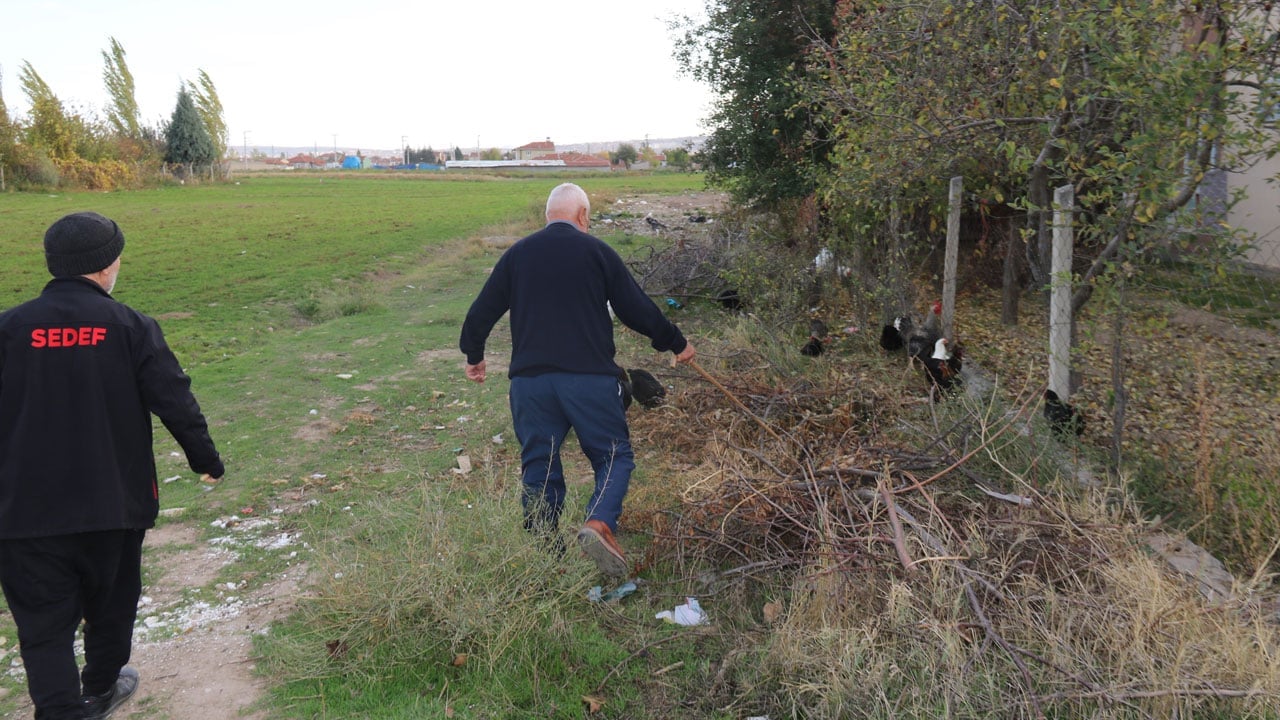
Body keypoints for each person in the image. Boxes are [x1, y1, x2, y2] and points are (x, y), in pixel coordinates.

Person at [0, 211, 225, 719]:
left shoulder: (9, 329)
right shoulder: (130, 327)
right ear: (107, 265)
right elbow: (175, 400)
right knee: (111, 606)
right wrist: (205, 461)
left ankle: (60, 708)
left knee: (44, 625)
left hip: (22, 512)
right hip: (113, 504)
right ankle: (100, 687)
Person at [459, 183, 695, 577]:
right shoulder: (598, 252)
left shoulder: (518, 254)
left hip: (531, 385)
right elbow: (635, 309)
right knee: (613, 455)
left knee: (540, 464)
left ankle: (546, 561)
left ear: (548, 216)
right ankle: (599, 522)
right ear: (583, 215)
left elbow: (481, 311)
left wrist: (475, 356)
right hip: (588, 380)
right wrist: (675, 342)